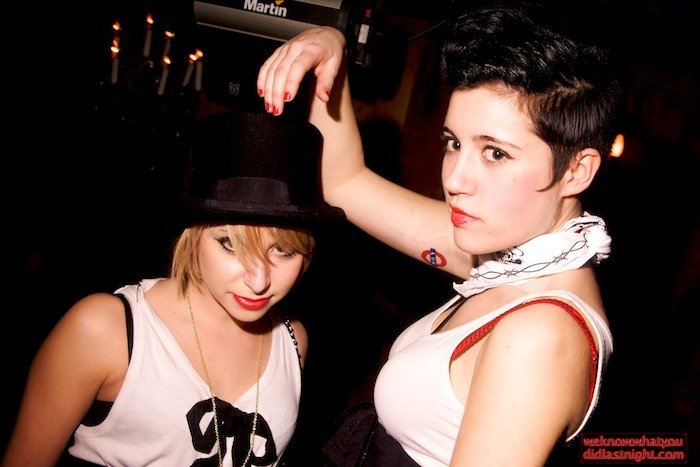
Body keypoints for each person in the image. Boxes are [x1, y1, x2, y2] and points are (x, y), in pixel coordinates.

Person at [256, 1, 627, 465]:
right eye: (454, 143)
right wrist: (332, 53)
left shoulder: (540, 336)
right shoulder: (501, 261)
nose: (454, 179)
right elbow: (345, 184)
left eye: (495, 153)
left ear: (577, 170)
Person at [1, 110, 345, 467]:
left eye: (283, 250)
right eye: (229, 244)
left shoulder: (292, 339)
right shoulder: (106, 329)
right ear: (191, 235)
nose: (259, 282)